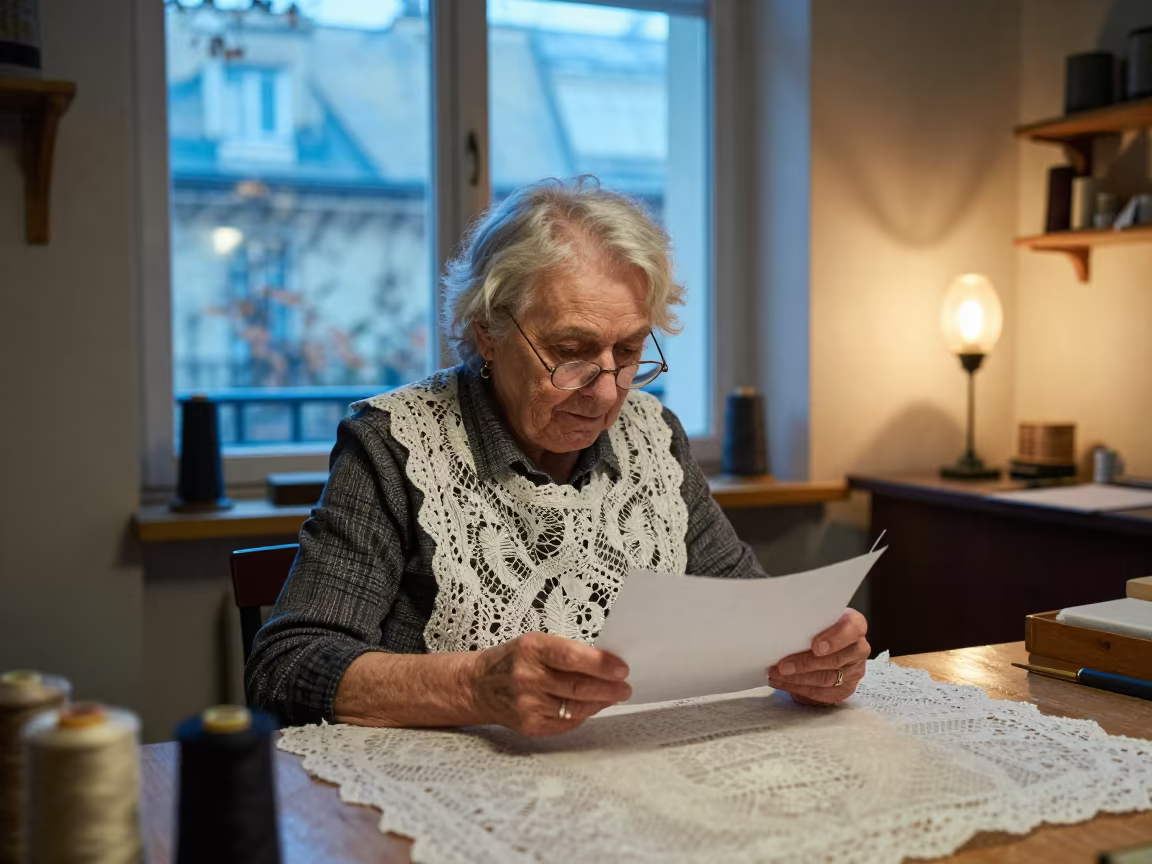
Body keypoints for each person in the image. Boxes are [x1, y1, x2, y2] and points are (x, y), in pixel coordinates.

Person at [246, 177, 869, 736]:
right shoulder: (394, 442)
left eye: (628, 352)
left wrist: (815, 659)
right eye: (571, 350)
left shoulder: (652, 435)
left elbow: (746, 610)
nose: (606, 392)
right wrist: (475, 686)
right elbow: (287, 667)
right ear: (488, 330)